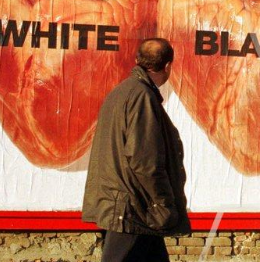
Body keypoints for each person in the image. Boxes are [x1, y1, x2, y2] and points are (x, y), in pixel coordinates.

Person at [82, 38, 191, 262]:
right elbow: (145, 160)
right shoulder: (142, 97)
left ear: (137, 60)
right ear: (168, 66)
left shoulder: (121, 92)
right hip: (132, 209)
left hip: (131, 207)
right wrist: (163, 202)